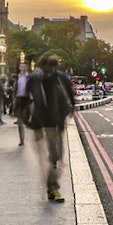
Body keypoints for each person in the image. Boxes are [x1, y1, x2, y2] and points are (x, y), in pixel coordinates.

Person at [27, 54, 74, 203]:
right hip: (41, 123)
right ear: (43, 67)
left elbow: (69, 96)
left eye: (53, 68)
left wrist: (69, 112)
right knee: (47, 158)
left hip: (56, 122)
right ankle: (52, 188)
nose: (50, 72)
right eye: (48, 69)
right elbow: (24, 99)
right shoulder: (34, 80)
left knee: (57, 156)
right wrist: (29, 122)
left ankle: (51, 185)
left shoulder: (60, 78)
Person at [13, 62, 32, 146]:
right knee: (20, 120)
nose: (23, 68)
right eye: (21, 67)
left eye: (24, 67)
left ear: (27, 68)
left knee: (26, 118)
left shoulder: (29, 77)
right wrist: (14, 99)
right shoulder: (18, 77)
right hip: (19, 99)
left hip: (27, 99)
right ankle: (22, 140)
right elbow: (15, 89)